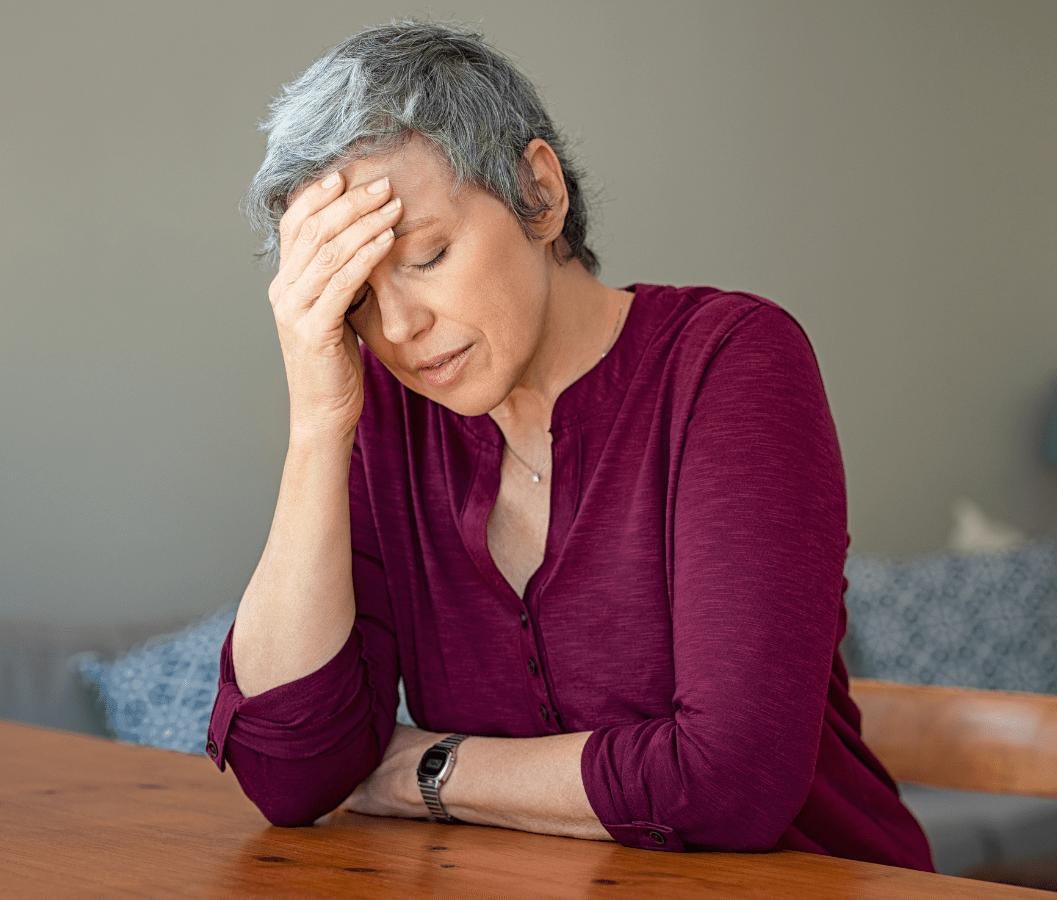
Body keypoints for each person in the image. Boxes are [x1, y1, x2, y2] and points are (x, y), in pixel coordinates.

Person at [207, 20, 933, 870]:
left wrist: (419, 769)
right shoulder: (385, 418)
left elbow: (731, 781)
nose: (398, 329)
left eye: (427, 255)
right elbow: (290, 776)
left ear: (539, 194)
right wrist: (317, 427)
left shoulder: (731, 364)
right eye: (354, 301)